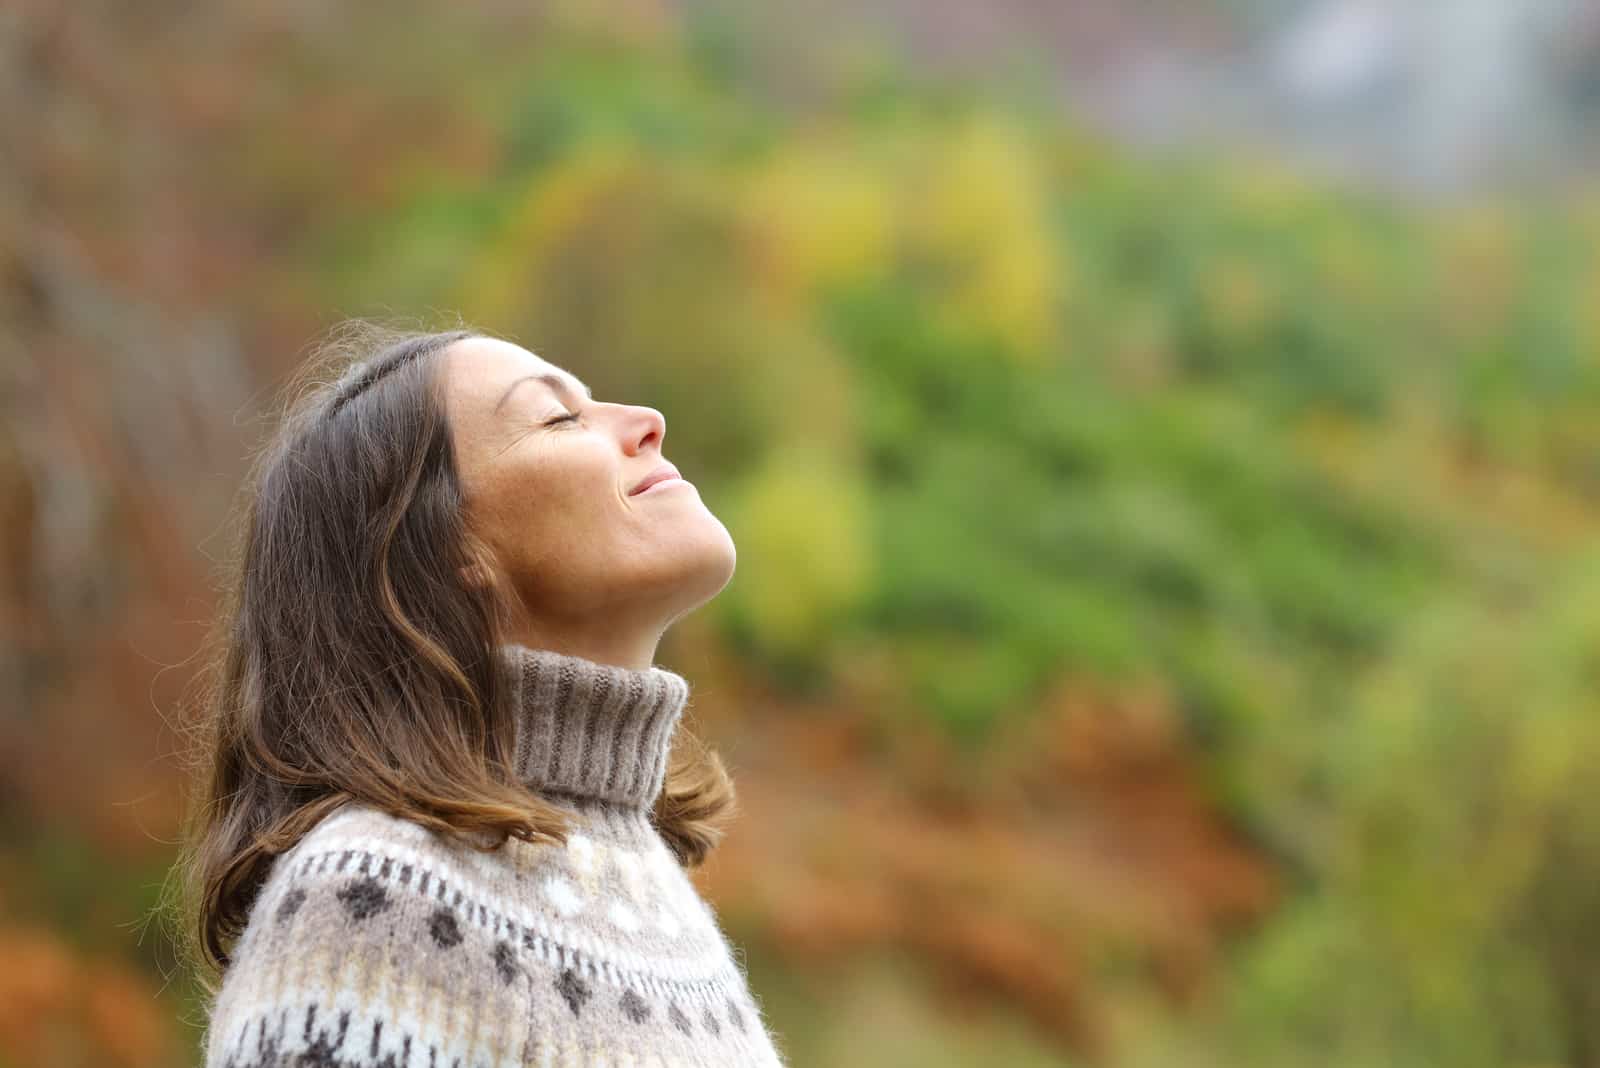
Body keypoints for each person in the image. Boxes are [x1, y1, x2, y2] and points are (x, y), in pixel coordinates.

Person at [172, 320, 787, 1067]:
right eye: (559, 417)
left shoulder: (656, 894)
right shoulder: (378, 894)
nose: (647, 421)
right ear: (443, 547)